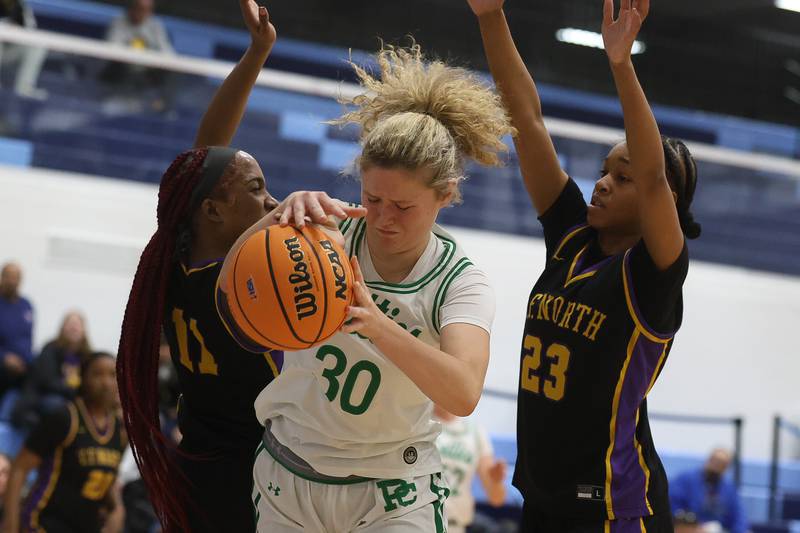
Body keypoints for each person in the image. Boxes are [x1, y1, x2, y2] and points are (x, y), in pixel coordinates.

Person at [115, 2, 365, 532]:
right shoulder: (239, 282)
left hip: (199, 460)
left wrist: (257, 53)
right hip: (250, 476)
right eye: (256, 190)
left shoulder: (174, 262)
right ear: (212, 210)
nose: (271, 199)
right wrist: (291, 206)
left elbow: (208, 154)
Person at [245, 40, 513, 532]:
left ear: (446, 195)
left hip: (393, 490)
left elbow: (462, 393)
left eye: (404, 207)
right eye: (373, 198)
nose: (384, 218)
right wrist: (274, 223)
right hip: (290, 472)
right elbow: (229, 295)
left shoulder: (460, 281)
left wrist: (377, 326)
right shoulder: (323, 236)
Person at [467, 0, 701, 531]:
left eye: (622, 177)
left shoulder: (653, 275)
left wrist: (621, 65)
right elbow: (525, 118)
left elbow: (656, 177)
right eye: (604, 171)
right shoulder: (570, 237)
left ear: (655, 204)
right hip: (542, 499)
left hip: (613, 509)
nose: (601, 183)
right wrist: (490, 16)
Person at [1, 352, 126, 533]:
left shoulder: (117, 430)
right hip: (45, 523)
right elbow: (19, 468)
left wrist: (117, 509)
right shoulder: (64, 418)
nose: (106, 382)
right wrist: (10, 524)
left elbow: (107, 479)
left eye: (112, 375)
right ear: (83, 379)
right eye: (97, 374)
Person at [12, 310, 92, 430]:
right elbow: (47, 381)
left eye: (77, 325)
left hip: (72, 398)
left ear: (83, 330)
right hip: (45, 396)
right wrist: (72, 388)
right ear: (63, 328)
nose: (74, 328)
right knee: (58, 405)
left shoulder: (87, 356)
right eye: (70, 324)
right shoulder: (50, 349)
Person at [433, 405, 506, 533]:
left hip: (455, 525)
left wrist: (496, 480)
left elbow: (496, 498)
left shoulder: (476, 432)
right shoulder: (418, 422)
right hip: (420, 522)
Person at [670, 448, 749, 533]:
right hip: (688, 527)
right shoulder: (685, 480)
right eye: (715, 461)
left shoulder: (729, 489)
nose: (716, 467)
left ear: (726, 468)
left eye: (721, 465)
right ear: (708, 460)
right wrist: (691, 525)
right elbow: (672, 506)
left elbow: (738, 517)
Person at [0, 262, 33, 399]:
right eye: (8, 276)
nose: (12, 281)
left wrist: (24, 361)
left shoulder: (26, 305)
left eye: (16, 277)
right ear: (2, 277)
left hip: (23, 364)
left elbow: (28, 338)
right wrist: (4, 358)